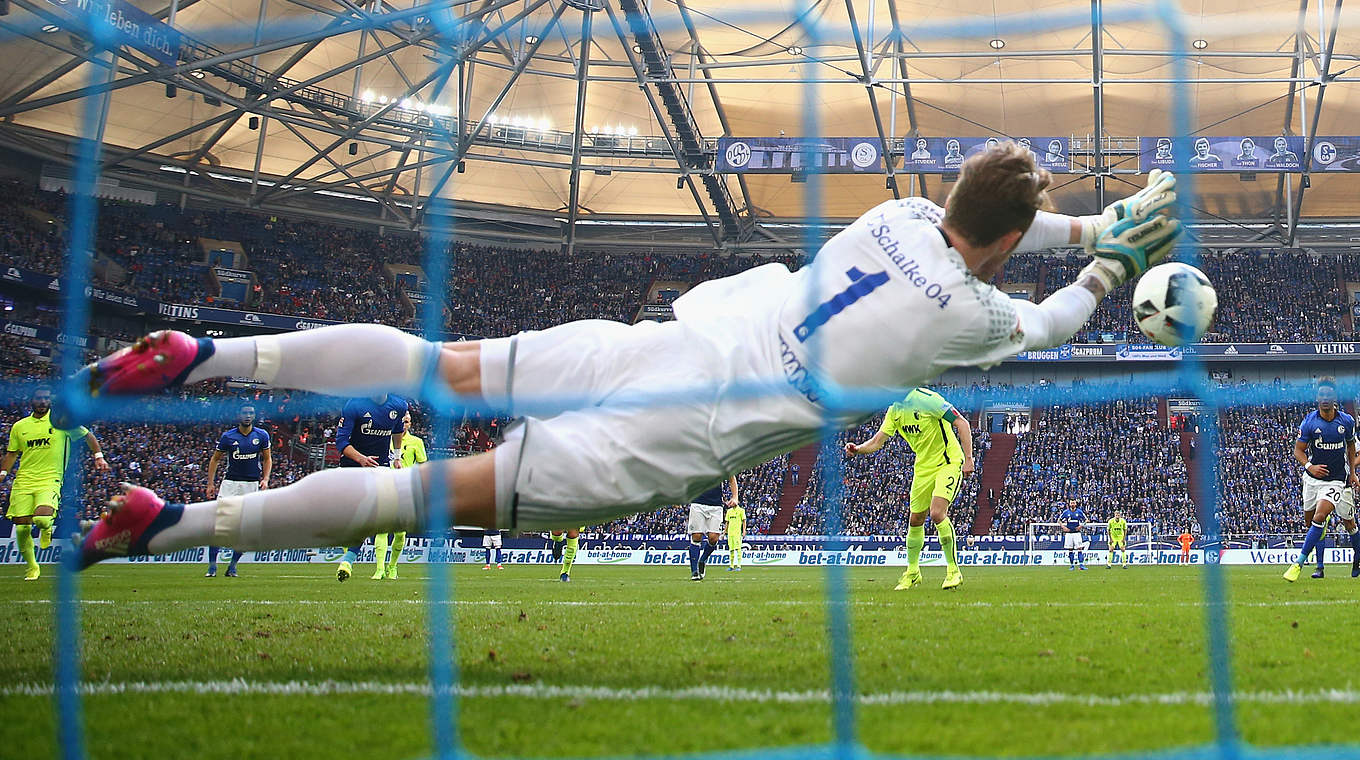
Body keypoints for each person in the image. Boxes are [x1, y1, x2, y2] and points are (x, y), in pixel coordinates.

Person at [67, 146, 1183, 571]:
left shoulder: (895, 212)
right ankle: (176, 525)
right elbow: (1043, 325)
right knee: (427, 494)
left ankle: (215, 353)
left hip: (670, 338)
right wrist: (1103, 268)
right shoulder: (966, 318)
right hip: (694, 422)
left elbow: (994, 227)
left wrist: (1093, 226)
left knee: (440, 363)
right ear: (1001, 240)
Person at [845, 387, 973, 591]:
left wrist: (968, 459)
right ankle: (913, 572)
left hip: (948, 461)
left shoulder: (928, 399)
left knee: (937, 513)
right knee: (915, 519)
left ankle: (953, 571)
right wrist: (858, 448)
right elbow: (878, 441)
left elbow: (961, 422)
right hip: (923, 467)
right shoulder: (894, 410)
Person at [1, 387, 110, 579]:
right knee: (22, 526)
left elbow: (87, 435)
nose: (42, 402)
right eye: (39, 398)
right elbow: (11, 454)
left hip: (50, 478)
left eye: (46, 398)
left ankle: (46, 528)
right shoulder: (20, 426)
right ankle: (32, 567)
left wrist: (98, 457)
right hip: (24, 480)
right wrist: (2, 473)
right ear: (32, 401)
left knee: (42, 519)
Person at [1283, 378, 1360, 581]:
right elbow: (1298, 451)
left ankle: (1299, 563)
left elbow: (1352, 447)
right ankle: (1318, 562)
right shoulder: (1309, 422)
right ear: (1317, 397)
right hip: (1312, 480)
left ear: (1334, 398)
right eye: (1322, 395)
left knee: (1321, 516)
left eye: (1329, 395)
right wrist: (1310, 466)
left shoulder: (1346, 421)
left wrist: (1352, 472)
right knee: (1311, 522)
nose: (1325, 398)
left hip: (1336, 480)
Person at [332, 394, 407, 583]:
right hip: (351, 466)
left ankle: (348, 562)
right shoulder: (354, 404)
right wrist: (361, 459)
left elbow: (397, 429)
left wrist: (396, 456)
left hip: (378, 467)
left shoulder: (399, 405)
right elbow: (341, 442)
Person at [204, 404, 271, 577]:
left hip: (251, 485)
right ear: (239, 415)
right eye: (244, 412)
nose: (248, 415)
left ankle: (232, 566)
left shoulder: (261, 435)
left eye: (251, 412)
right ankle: (212, 566)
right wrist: (211, 484)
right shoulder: (228, 436)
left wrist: (265, 479)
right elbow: (215, 459)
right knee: (219, 525)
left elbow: (267, 459)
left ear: (254, 415)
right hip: (230, 484)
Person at [372, 410, 426, 579]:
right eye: (402, 421)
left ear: (410, 424)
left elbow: (423, 466)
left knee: (400, 534)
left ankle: (393, 566)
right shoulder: (384, 439)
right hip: (386, 488)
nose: (404, 424)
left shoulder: (416, 442)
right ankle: (379, 569)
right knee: (381, 530)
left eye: (407, 422)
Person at [687, 476, 738, 580]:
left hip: (716, 505)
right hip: (697, 502)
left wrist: (735, 497)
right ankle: (694, 571)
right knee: (696, 536)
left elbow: (732, 478)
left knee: (713, 538)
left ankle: (702, 560)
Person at [1060, 499, 1088, 571]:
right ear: (1069, 504)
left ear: (1076, 504)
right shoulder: (1066, 512)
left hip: (1077, 533)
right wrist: (1063, 527)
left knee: (1079, 549)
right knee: (1070, 550)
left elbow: (1086, 520)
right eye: (1071, 503)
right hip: (1069, 533)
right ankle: (1072, 565)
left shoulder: (1079, 512)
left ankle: (1081, 565)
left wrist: (1081, 526)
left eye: (1073, 503)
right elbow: (1059, 520)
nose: (1072, 504)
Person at [725, 494, 746, 572]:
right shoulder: (729, 511)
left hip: (737, 533)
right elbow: (727, 522)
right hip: (730, 533)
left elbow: (744, 521)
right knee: (731, 549)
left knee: (738, 549)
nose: (731, 503)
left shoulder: (741, 511)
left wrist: (744, 531)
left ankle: (739, 565)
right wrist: (725, 532)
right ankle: (731, 565)